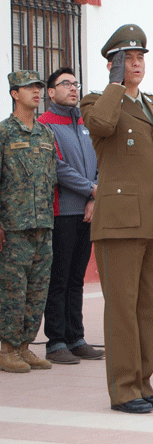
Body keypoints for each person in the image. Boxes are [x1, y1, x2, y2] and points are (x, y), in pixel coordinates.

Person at [80, 24, 153, 413]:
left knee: (150, 308)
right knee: (122, 308)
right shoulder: (96, 101)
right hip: (120, 222)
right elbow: (102, 126)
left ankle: (144, 382)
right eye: (127, 58)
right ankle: (123, 390)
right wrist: (116, 85)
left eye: (139, 57)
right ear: (112, 64)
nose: (135, 64)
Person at [38, 67, 103, 365]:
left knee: (77, 278)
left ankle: (76, 338)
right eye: (66, 84)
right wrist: (91, 190)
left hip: (88, 211)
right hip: (62, 211)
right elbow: (58, 168)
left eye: (75, 83)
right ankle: (56, 341)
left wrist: (93, 198)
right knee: (59, 278)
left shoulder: (86, 123)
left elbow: (100, 161)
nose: (73, 88)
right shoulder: (45, 125)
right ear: (51, 92)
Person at [0, 70, 56, 373]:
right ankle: (6, 348)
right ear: (14, 94)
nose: (37, 92)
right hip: (14, 226)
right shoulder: (4, 132)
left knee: (37, 289)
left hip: (43, 224)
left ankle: (24, 346)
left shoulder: (46, 133)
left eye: (39, 87)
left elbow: (51, 178)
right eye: (29, 88)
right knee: (13, 290)